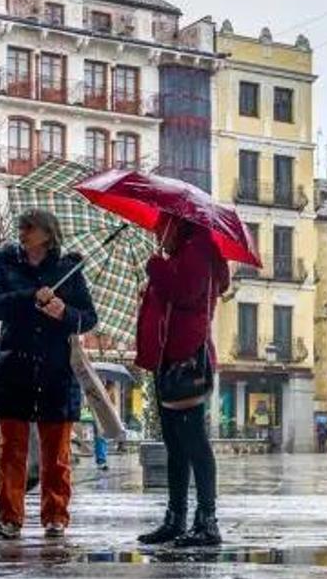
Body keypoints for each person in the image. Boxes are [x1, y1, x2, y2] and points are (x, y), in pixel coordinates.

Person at [0, 209, 98, 541]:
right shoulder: (7, 263)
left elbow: (88, 318)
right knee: (10, 449)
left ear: (47, 234)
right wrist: (29, 296)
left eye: (29, 227)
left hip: (55, 370)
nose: (22, 232)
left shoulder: (68, 269)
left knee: (56, 452)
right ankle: (8, 517)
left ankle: (55, 515)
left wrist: (63, 312)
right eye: (21, 227)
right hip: (14, 367)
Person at [135, 214, 230, 548]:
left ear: (177, 225)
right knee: (175, 445)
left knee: (194, 443)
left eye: (161, 227)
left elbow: (186, 293)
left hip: (185, 360)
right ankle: (175, 518)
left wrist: (156, 269)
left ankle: (207, 520)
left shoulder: (198, 251)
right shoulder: (181, 255)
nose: (157, 233)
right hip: (169, 360)